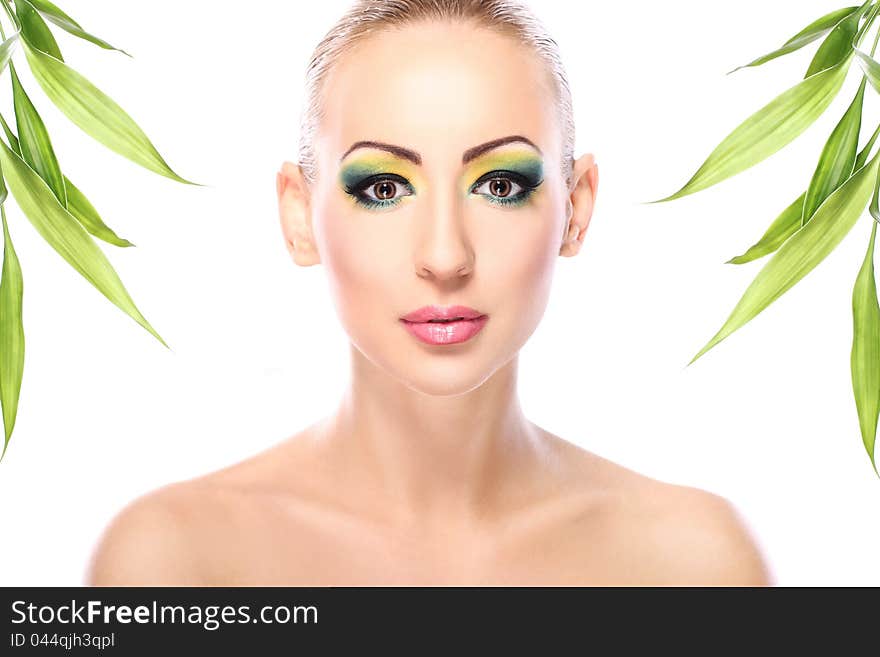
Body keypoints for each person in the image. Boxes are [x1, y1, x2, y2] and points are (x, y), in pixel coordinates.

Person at [85, 0, 773, 586]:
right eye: (383, 188)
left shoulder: (696, 565)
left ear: (576, 208)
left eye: (500, 184)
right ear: (299, 215)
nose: (445, 256)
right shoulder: (174, 562)